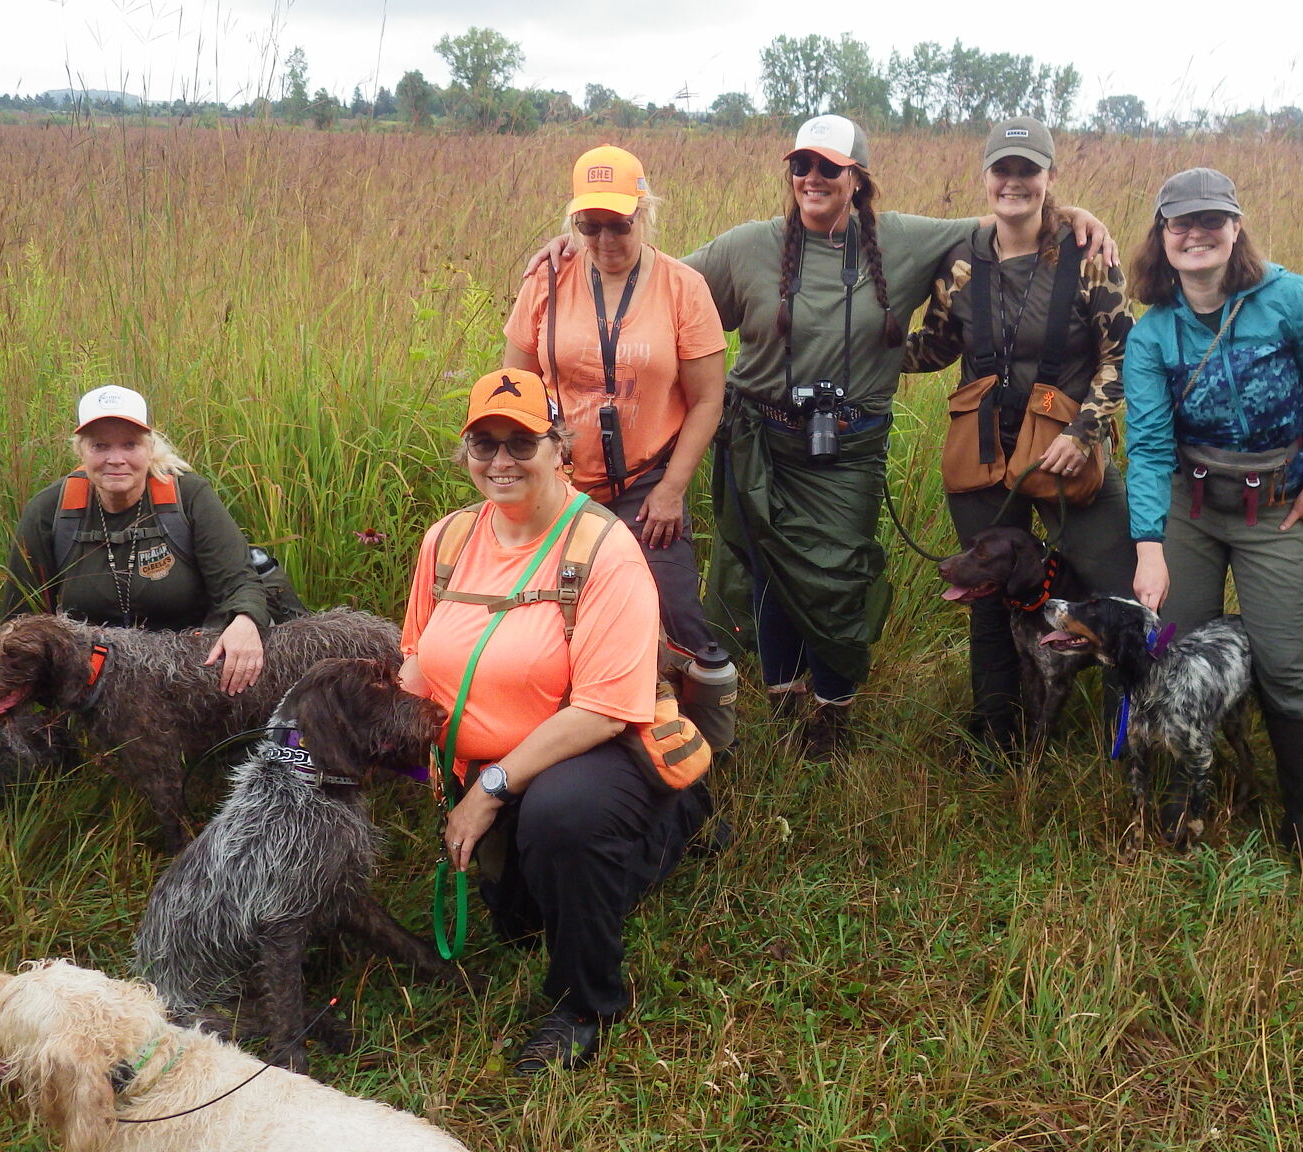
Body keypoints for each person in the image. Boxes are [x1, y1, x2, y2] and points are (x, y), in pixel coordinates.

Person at [674, 114, 1110, 757]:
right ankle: (785, 704)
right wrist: (576, 249)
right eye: (802, 166)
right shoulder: (747, 246)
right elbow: (665, 286)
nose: (813, 178)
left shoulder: (902, 238)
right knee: (765, 572)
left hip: (848, 447)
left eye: (830, 168)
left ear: (858, 178)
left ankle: (831, 712)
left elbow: (1006, 219)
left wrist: (1074, 213)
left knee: (840, 577)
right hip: (759, 438)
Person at [398, 368, 712, 1075]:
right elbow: (415, 654)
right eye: (484, 445)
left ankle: (585, 1004)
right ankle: (647, 837)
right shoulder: (446, 541)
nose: (501, 462)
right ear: (465, 453)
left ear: (559, 448)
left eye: (522, 443)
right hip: (488, 767)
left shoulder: (603, 549)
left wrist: (492, 788)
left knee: (561, 819)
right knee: (520, 923)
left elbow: (604, 707)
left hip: (594, 747)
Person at [1122, 168, 1303, 879]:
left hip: (1275, 509)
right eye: (1180, 224)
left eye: (1210, 221)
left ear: (1236, 226)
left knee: (1283, 663)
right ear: (1162, 237)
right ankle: (1174, 799)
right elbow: (1152, 446)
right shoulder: (1152, 334)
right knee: (1169, 648)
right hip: (1189, 507)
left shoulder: (1291, 302)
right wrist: (1149, 547)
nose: (1196, 235)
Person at [902, 116, 1138, 757]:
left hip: (1067, 459)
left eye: (1028, 171)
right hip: (981, 457)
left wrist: (1086, 433)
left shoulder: (1089, 256)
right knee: (988, 598)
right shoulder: (960, 262)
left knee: (1116, 592)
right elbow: (935, 348)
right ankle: (997, 739)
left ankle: (1133, 740)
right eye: (1003, 170)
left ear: (1049, 178)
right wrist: (860, 340)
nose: (1014, 183)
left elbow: (1125, 355)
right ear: (985, 178)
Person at [502, 144, 730, 667]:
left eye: (619, 224)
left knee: (676, 625)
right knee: (550, 622)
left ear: (643, 212)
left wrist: (672, 489)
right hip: (558, 486)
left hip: (649, 487)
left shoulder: (683, 287)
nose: (605, 240)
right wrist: (533, 478)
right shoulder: (546, 281)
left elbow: (708, 399)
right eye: (590, 225)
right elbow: (515, 389)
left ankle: (694, 736)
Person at [2, 385, 271, 695]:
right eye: (100, 446)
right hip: (90, 684)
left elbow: (239, 582)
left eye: (130, 444)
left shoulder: (189, 496)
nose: (116, 459)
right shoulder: (50, 511)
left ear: (149, 447)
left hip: (191, 671)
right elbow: (21, 618)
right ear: (80, 451)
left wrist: (245, 621)